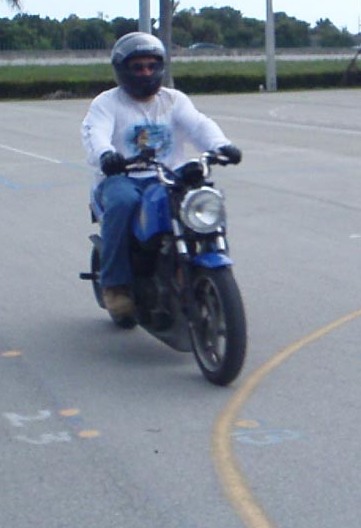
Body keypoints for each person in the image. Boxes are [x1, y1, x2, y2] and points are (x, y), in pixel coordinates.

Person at [80, 32, 242, 319]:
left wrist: (221, 146)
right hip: (123, 177)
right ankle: (116, 286)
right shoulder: (107, 103)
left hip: (168, 174)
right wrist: (106, 155)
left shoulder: (174, 100)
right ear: (122, 70)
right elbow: (96, 133)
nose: (146, 73)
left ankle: (208, 260)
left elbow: (198, 125)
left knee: (205, 197)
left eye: (151, 66)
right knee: (123, 203)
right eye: (138, 67)